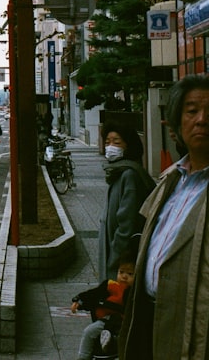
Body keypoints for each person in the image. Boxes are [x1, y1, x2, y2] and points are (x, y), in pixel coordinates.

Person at [119, 74, 209, 359]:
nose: (202, 120)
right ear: (177, 123)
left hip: (195, 330)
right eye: (191, 111)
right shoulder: (170, 180)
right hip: (146, 318)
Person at [98, 121, 155, 281]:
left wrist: (115, 258)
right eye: (107, 142)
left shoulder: (129, 175)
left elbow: (126, 225)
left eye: (116, 142)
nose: (110, 147)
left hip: (121, 264)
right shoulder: (119, 172)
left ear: (129, 145)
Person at [72, 250, 136, 360]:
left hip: (123, 323)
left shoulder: (133, 292)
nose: (124, 276)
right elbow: (94, 294)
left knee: (123, 336)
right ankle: (83, 357)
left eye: (130, 274)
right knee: (89, 331)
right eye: (121, 272)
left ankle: (110, 340)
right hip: (105, 320)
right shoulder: (110, 285)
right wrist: (79, 300)